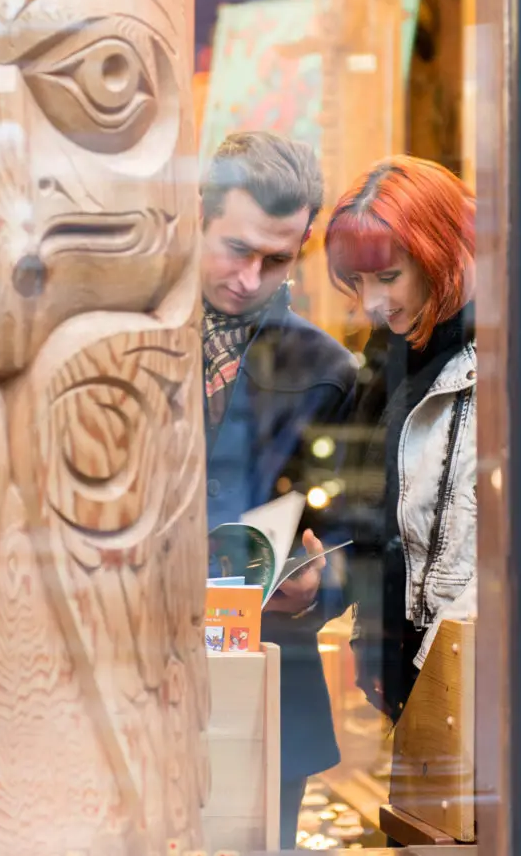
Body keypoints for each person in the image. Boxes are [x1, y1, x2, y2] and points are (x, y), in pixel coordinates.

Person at [199, 130, 359, 847]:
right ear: (195, 219)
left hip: (265, 682)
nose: (250, 277)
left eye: (278, 260)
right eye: (237, 249)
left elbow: (361, 538)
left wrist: (319, 587)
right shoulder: (121, 337)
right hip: (120, 672)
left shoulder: (327, 366)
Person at [325, 155, 478, 724]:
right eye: (358, 281)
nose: (370, 301)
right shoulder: (390, 355)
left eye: (388, 277)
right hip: (411, 677)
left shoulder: (506, 362)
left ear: (442, 252)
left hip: (468, 678)